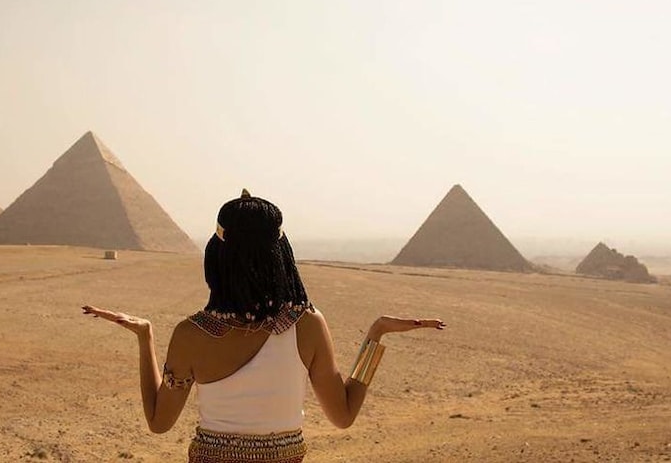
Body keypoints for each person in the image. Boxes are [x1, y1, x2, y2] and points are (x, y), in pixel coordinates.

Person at [83, 190, 445, 462]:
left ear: (218, 256)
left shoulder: (192, 334)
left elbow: (159, 423)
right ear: (281, 254)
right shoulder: (307, 326)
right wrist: (375, 335)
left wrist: (145, 337)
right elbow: (344, 415)